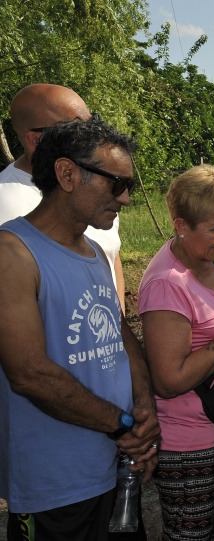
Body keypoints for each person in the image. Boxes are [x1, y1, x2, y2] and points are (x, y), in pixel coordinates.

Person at [0, 117, 159, 541]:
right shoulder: (12, 254)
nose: (126, 200)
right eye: (116, 184)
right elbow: (29, 374)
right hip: (55, 486)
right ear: (68, 174)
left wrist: (145, 412)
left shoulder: (92, 250)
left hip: (113, 468)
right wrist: (124, 424)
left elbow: (119, 332)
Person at [138, 165, 214, 541]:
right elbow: (169, 379)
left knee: (210, 531)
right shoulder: (166, 285)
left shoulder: (206, 259)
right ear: (180, 225)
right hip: (188, 443)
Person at [1, 84, 126, 312]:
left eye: (94, 123)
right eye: (79, 129)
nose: (96, 137)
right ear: (36, 141)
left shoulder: (97, 185)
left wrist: (118, 333)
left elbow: (112, 255)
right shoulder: (5, 202)